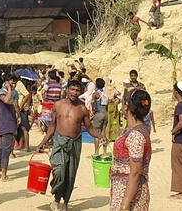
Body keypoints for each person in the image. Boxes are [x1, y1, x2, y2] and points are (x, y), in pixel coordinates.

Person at [36, 80, 107, 211]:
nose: (74, 93)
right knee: (59, 171)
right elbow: (52, 127)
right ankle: (57, 198)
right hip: (59, 143)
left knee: (70, 174)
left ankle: (65, 202)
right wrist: (42, 142)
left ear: (81, 92)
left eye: (77, 90)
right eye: (72, 89)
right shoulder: (57, 105)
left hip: (75, 143)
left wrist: (101, 137)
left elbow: (90, 129)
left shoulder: (82, 109)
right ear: (67, 90)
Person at [109, 89, 152, 211]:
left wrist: (124, 205)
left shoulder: (136, 135)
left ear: (126, 106)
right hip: (124, 190)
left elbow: (135, 172)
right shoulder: (135, 130)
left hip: (129, 194)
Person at [0, 76, 18, 182]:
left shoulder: (8, 93)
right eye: (12, 83)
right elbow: (7, 100)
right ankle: (3, 173)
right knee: (6, 150)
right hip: (6, 125)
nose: (14, 85)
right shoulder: (3, 93)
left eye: (15, 83)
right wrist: (9, 88)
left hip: (7, 124)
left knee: (2, 148)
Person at [91, 78, 109, 156]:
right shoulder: (105, 93)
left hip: (99, 113)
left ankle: (96, 152)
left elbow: (92, 102)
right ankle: (104, 152)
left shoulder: (96, 93)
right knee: (103, 133)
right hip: (105, 112)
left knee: (96, 133)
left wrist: (92, 111)